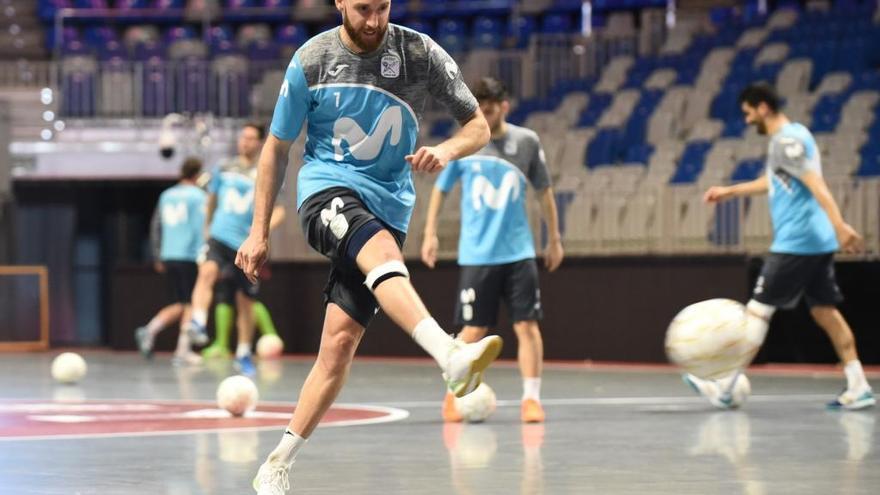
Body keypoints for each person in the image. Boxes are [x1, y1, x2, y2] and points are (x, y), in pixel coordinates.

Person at [234, 1, 504, 492]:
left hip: (390, 206)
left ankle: (276, 463)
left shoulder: (419, 52)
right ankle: (450, 355)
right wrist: (258, 231)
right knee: (378, 248)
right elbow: (276, 147)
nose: (374, 21)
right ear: (339, 2)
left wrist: (445, 149)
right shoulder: (311, 61)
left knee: (339, 345)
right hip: (327, 192)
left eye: (382, 7)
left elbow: (478, 127)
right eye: (363, 8)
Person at [694, 82, 874, 410]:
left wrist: (840, 225)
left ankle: (724, 386)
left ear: (763, 107)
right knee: (825, 312)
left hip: (797, 242)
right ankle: (858, 384)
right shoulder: (794, 136)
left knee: (757, 312)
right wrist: (729, 191)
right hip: (814, 243)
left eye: (749, 114)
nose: (747, 121)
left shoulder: (786, 140)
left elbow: (814, 183)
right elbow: (774, 181)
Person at [421, 77, 564, 423]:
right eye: (479, 108)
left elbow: (544, 191)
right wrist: (430, 233)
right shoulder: (465, 142)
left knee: (527, 326)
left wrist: (554, 238)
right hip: (477, 255)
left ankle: (531, 399)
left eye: (490, 108)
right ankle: (453, 397)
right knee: (472, 332)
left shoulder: (526, 142)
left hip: (518, 253)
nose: (484, 114)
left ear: (504, 106)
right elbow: (441, 189)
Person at [184, 123, 285, 376]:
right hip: (219, 236)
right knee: (207, 273)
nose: (245, 142)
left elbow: (281, 210)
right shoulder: (224, 168)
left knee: (245, 301)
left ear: (260, 142)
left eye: (251, 138)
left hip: (245, 245)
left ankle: (242, 352)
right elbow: (211, 200)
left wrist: (259, 233)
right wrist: (207, 229)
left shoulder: (267, 172)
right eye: (243, 137)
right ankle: (197, 321)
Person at [136, 157, 206, 366]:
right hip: (189, 255)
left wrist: (157, 254)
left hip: (169, 254)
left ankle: (154, 332)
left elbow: (155, 225)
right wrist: (204, 254)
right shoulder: (199, 196)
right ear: (197, 174)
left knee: (180, 302)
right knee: (191, 303)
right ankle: (179, 349)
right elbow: (201, 228)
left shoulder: (166, 195)